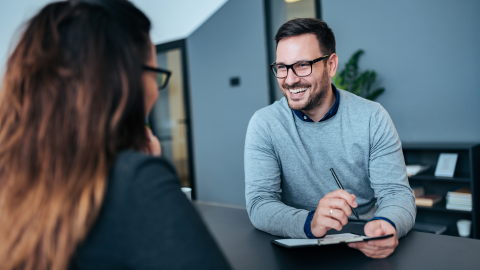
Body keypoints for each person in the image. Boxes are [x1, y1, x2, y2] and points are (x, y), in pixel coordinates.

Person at [0, 0, 231, 269]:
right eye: (156, 74)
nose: (156, 92)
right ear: (121, 82)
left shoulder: (14, 176)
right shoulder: (135, 181)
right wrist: (144, 171)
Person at [244, 18, 415, 259]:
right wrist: (310, 222)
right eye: (282, 67)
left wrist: (387, 223)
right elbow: (260, 204)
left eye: (302, 65)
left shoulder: (372, 117)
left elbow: (397, 194)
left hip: (365, 247)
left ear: (331, 65)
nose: (290, 79)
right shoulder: (265, 124)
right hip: (298, 251)